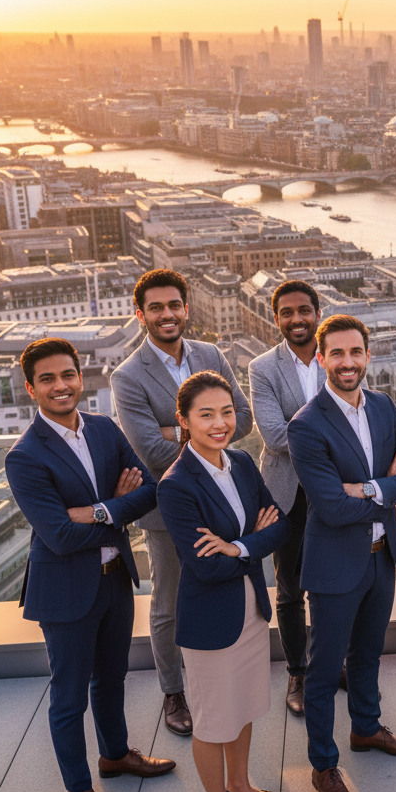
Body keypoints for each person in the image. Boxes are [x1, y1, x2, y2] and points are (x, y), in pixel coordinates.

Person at [5, 338, 175, 792]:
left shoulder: (104, 429)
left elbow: (148, 490)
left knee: (112, 677)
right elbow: (58, 536)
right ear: (32, 388)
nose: (61, 386)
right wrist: (116, 512)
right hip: (66, 590)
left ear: (82, 378)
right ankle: (79, 791)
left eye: (68, 375)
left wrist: (97, 511)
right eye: (49, 379)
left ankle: (116, 755)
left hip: (115, 579)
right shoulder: (25, 456)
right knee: (69, 696)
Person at [287, 315, 396, 792]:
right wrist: (387, 491)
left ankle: (366, 729)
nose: (348, 363)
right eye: (337, 354)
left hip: (380, 557)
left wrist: (367, 489)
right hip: (334, 565)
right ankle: (324, 766)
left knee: (369, 654)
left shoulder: (386, 408)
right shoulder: (305, 426)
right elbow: (330, 507)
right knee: (324, 672)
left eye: (356, 353)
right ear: (322, 358)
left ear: (368, 356)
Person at [111, 268, 252, 736]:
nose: (167, 314)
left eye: (174, 305)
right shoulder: (127, 376)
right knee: (168, 603)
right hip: (166, 508)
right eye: (156, 307)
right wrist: (211, 430)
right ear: (141, 315)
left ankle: (222, 673)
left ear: (186, 308)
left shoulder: (211, 354)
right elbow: (148, 449)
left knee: (224, 585)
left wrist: (182, 430)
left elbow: (244, 418)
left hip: (224, 500)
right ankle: (173, 691)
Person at [157, 371, 292, 792]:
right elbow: (205, 568)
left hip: (250, 609)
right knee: (214, 720)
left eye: (227, 412)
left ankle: (239, 784)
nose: (220, 423)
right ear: (184, 421)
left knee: (245, 705)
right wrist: (249, 544)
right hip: (212, 621)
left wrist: (235, 547)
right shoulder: (175, 486)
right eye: (206, 415)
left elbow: (279, 526)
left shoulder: (240, 461)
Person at [249, 279, 325, 716]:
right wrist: (334, 438)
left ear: (317, 311)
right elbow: (274, 436)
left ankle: (329, 662)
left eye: (304, 310)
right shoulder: (263, 368)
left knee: (333, 585)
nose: (296, 319)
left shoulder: (338, 353)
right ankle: (297, 670)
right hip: (288, 492)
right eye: (287, 312)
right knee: (291, 590)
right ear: (275, 317)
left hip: (335, 490)